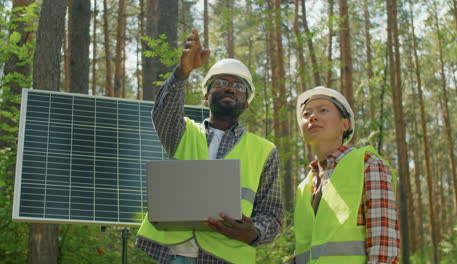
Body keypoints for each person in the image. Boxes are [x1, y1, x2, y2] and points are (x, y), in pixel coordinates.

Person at [136, 29, 283, 264]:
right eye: (221, 83)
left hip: (227, 258)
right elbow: (162, 113)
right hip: (175, 256)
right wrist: (182, 72)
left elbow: (271, 213)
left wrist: (254, 232)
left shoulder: (264, 151)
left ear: (246, 103)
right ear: (206, 95)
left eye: (239, 87)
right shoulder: (183, 132)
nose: (230, 88)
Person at [293, 87, 400, 263]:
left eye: (323, 110)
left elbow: (383, 247)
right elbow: (306, 251)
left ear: (345, 124)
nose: (312, 117)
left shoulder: (367, 164)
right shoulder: (304, 186)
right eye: (306, 114)